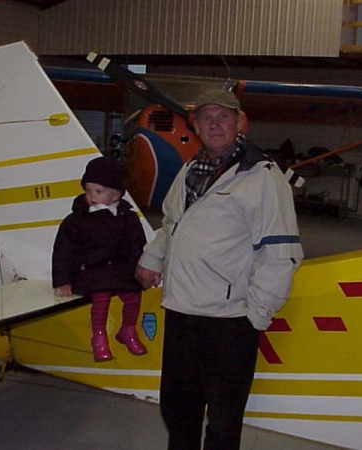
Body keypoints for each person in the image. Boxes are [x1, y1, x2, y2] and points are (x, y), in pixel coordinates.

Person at [136, 87, 303, 450]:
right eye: (206, 118)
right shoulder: (190, 170)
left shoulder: (263, 176)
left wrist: (255, 316)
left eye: (223, 116)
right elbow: (172, 224)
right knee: (178, 411)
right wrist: (152, 259)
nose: (214, 124)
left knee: (223, 422)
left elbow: (281, 253)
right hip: (181, 312)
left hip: (229, 321)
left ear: (240, 123)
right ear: (195, 126)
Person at [52, 156, 148, 362]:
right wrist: (62, 280)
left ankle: (128, 329)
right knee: (101, 297)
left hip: (121, 270)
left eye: (98, 191)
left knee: (133, 295)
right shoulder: (77, 219)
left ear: (115, 194)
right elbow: (63, 251)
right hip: (90, 271)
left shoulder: (128, 217)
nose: (91, 196)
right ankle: (99, 336)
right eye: (88, 190)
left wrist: (140, 268)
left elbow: (137, 244)